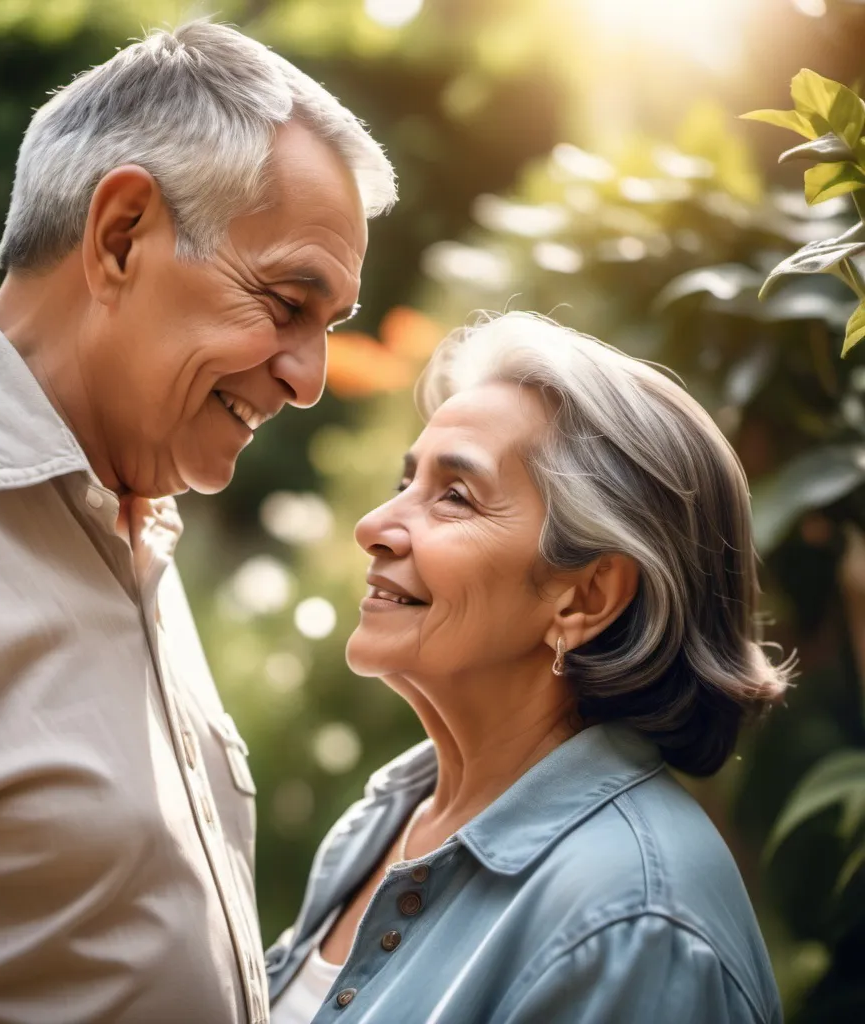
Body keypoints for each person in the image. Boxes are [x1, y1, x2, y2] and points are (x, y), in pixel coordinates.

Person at [0, 21, 395, 1024]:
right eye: (286, 301)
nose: (309, 379)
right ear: (121, 235)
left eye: (330, 328)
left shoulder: (134, 510)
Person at [267, 312, 789, 1024]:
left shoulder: (632, 926)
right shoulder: (388, 819)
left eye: (455, 495)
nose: (375, 525)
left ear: (586, 596)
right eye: (407, 480)